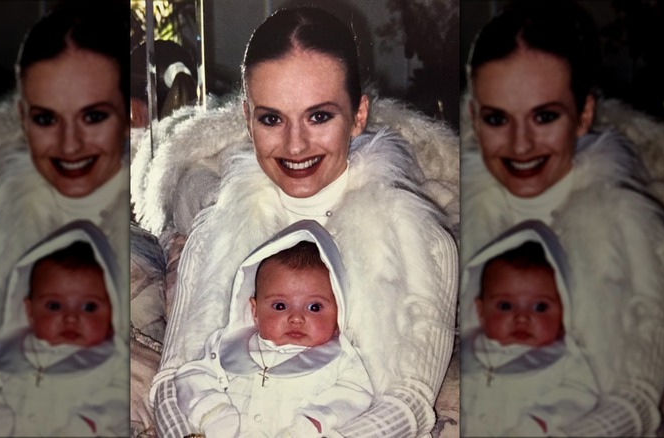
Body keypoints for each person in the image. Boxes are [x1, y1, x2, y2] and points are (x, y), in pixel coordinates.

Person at [150, 6, 458, 437]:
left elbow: (409, 401)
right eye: (272, 119)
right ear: (247, 119)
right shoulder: (214, 232)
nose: (295, 146)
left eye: (319, 116)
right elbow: (172, 381)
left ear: (359, 116)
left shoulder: (420, 242)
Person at [461, 1, 664, 435]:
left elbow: (636, 397)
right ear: (474, 117)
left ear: (583, 115)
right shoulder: (454, 218)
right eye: (497, 119)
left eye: (544, 116)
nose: (520, 145)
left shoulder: (639, 235)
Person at [0, 3, 130, 435]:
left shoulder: (146, 226)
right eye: (45, 119)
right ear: (22, 119)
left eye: (93, 116)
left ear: (129, 113)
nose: (69, 145)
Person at [174, 220, 373, 437]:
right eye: (280, 306)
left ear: (338, 311)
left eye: (314, 307)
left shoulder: (341, 358)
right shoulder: (227, 346)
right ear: (255, 311)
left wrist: (311, 424)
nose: (296, 318)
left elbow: (354, 394)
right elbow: (192, 376)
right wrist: (215, 414)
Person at [0, 221, 127, 437]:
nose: (71, 317)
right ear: (29, 310)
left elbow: (117, 405)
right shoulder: (1, 346)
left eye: (89, 306)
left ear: (113, 310)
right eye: (54, 306)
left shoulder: (114, 362)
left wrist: (84, 425)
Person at [461, 221, 598, 437]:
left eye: (540, 307)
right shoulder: (464, 350)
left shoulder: (566, 361)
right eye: (505, 305)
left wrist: (540, 422)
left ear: (565, 310)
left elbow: (578, 396)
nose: (522, 317)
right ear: (480, 310)